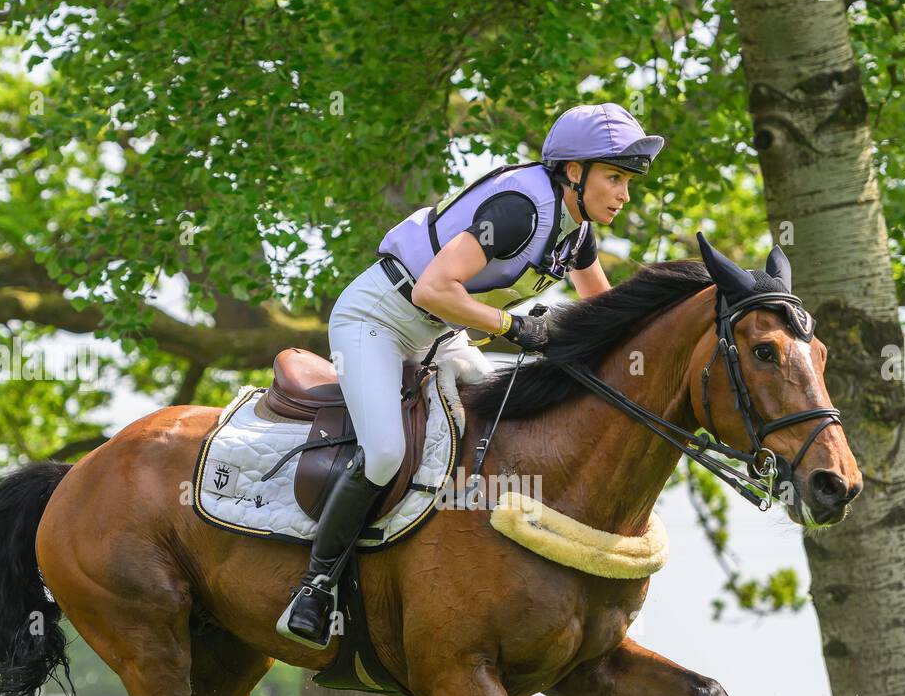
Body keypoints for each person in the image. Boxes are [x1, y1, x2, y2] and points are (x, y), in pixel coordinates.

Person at [275, 103, 664, 648]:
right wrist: (514, 327)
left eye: (627, 181)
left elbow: (604, 312)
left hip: (441, 335)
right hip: (378, 321)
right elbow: (430, 290)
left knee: (505, 429)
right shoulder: (518, 210)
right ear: (574, 172)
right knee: (385, 451)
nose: (624, 194)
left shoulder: (576, 231)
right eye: (616, 178)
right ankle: (315, 586)